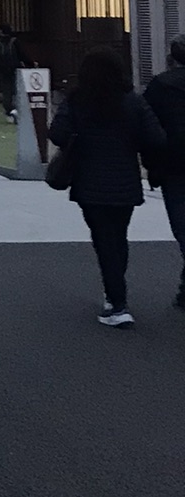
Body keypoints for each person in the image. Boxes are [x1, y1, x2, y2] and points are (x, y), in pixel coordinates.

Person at [49, 49, 165, 325]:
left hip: (89, 181)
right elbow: (157, 138)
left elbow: (57, 134)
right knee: (118, 237)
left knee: (103, 240)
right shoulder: (133, 102)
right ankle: (115, 294)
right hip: (125, 180)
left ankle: (117, 302)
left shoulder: (77, 102)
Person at [142, 35, 185, 310]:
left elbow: (148, 128)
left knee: (181, 222)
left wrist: (151, 163)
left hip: (174, 163)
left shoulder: (159, 86)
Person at [0, 23, 26, 119]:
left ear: (1, 31)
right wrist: (30, 63)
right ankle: (18, 110)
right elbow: (22, 55)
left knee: (6, 92)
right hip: (16, 70)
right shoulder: (15, 42)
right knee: (17, 91)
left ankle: (9, 110)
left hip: (3, 71)